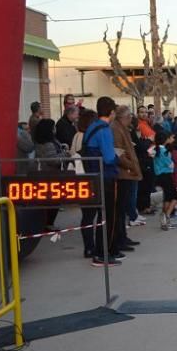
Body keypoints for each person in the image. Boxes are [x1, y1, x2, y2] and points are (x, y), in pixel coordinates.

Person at [82, 97, 128, 267]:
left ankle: (109, 249)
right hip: (106, 176)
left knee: (103, 215)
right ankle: (103, 253)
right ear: (111, 112)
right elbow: (108, 157)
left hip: (93, 175)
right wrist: (117, 155)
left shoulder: (91, 127)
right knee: (108, 216)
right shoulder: (104, 130)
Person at [111, 105, 144, 244]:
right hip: (124, 173)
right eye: (130, 115)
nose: (132, 118)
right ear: (124, 117)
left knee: (123, 205)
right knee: (121, 207)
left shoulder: (123, 128)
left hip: (129, 172)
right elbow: (119, 153)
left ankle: (123, 237)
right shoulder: (116, 129)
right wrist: (132, 166)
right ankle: (120, 238)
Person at [72, 109, 99, 256]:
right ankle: (90, 246)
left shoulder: (78, 135)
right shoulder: (87, 136)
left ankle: (89, 246)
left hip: (82, 176)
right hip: (87, 177)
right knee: (90, 215)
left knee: (87, 215)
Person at [153, 130, 177, 231]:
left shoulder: (156, 149)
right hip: (167, 175)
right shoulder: (164, 151)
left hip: (159, 175)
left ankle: (165, 217)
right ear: (165, 139)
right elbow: (170, 164)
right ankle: (165, 216)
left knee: (167, 197)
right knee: (174, 196)